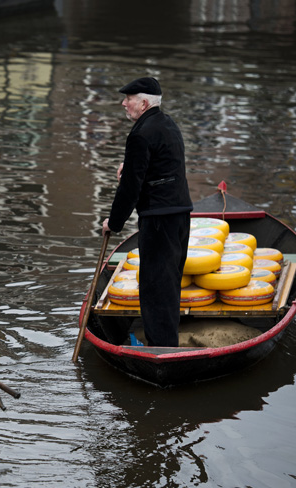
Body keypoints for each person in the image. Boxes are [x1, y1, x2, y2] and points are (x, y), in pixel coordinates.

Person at [101, 77, 192, 347]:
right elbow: (162, 167)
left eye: (128, 99)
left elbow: (130, 188)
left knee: (155, 289)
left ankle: (161, 352)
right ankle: (166, 343)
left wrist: (113, 223)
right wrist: (129, 166)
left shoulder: (140, 133)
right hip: (180, 216)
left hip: (158, 220)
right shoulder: (168, 124)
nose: (123, 103)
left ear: (143, 103)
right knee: (170, 283)